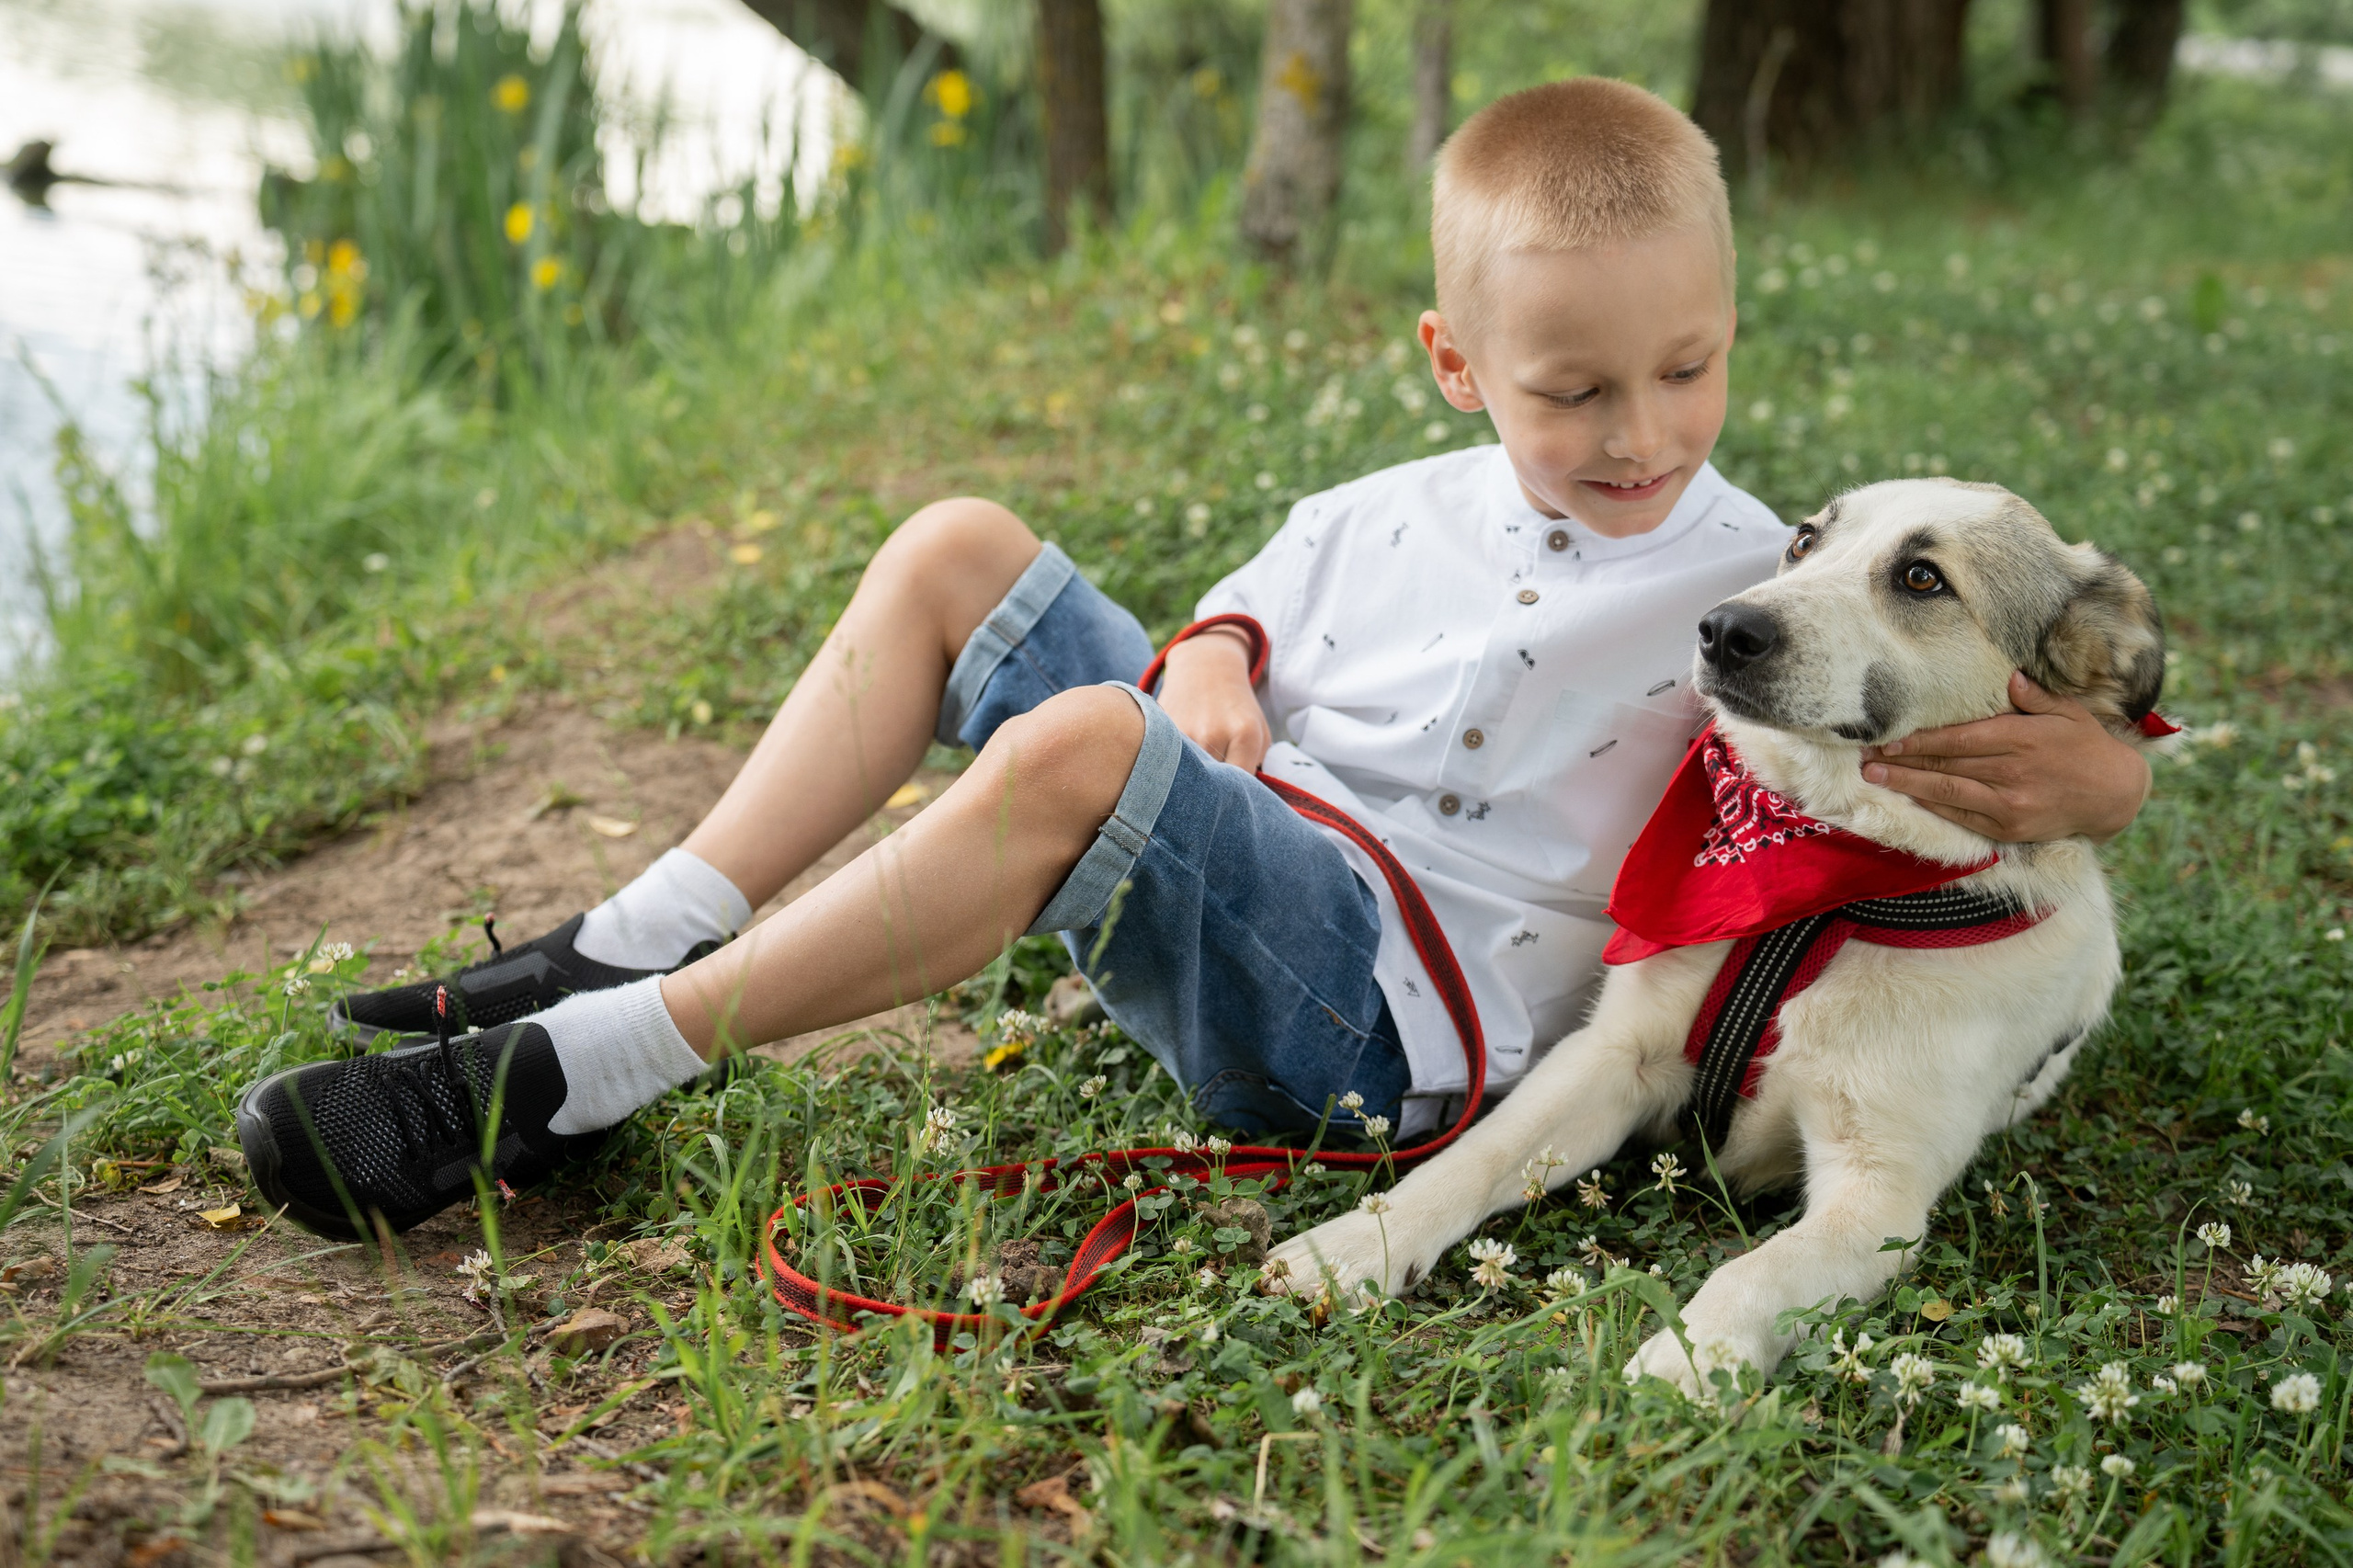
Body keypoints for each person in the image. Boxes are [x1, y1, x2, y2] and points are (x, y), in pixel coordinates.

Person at [235, 78, 2154, 1242]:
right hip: (1255, 835)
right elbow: (1240, 610)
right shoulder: (1380, 506)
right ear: (1456, 365)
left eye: (1686, 369)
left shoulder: (1766, 583)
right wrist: (1223, 645)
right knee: (958, 547)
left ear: (1730, 325)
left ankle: (578, 1072)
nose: (1640, 431)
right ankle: (640, 931)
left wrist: (2113, 768)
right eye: (1571, 391)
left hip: (1377, 1021)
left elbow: (2023, 668)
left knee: (1088, 739)